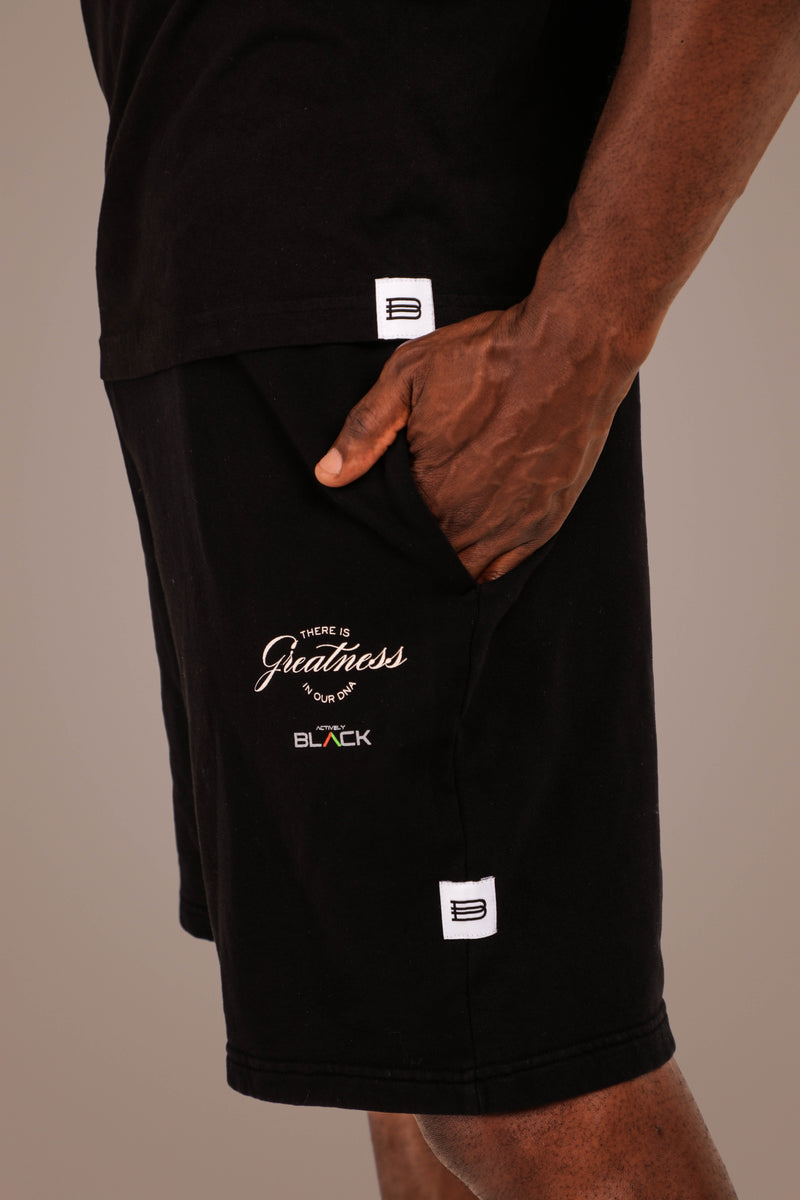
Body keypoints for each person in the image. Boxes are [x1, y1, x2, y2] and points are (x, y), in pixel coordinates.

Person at [80, 1, 800, 1196]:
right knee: (410, 1051)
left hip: (391, 309)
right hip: (211, 315)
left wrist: (578, 344)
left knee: (527, 1083)